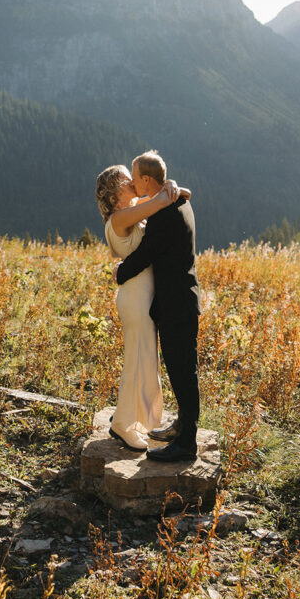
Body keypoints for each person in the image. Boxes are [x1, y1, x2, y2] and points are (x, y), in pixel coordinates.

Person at [114, 150, 201, 463]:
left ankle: (187, 443)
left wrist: (119, 272)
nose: (134, 183)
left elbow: (146, 254)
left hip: (176, 303)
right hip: (181, 300)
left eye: (136, 178)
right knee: (180, 368)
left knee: (183, 371)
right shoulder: (178, 201)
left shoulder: (164, 212)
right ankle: (182, 427)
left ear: (147, 179)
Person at [95, 164, 188, 451]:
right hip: (135, 298)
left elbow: (182, 193)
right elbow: (164, 199)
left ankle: (139, 421)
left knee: (146, 362)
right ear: (114, 190)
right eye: (127, 178)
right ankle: (123, 425)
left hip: (143, 297)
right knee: (137, 360)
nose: (133, 180)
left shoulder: (135, 209)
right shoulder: (120, 217)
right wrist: (165, 188)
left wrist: (169, 183)